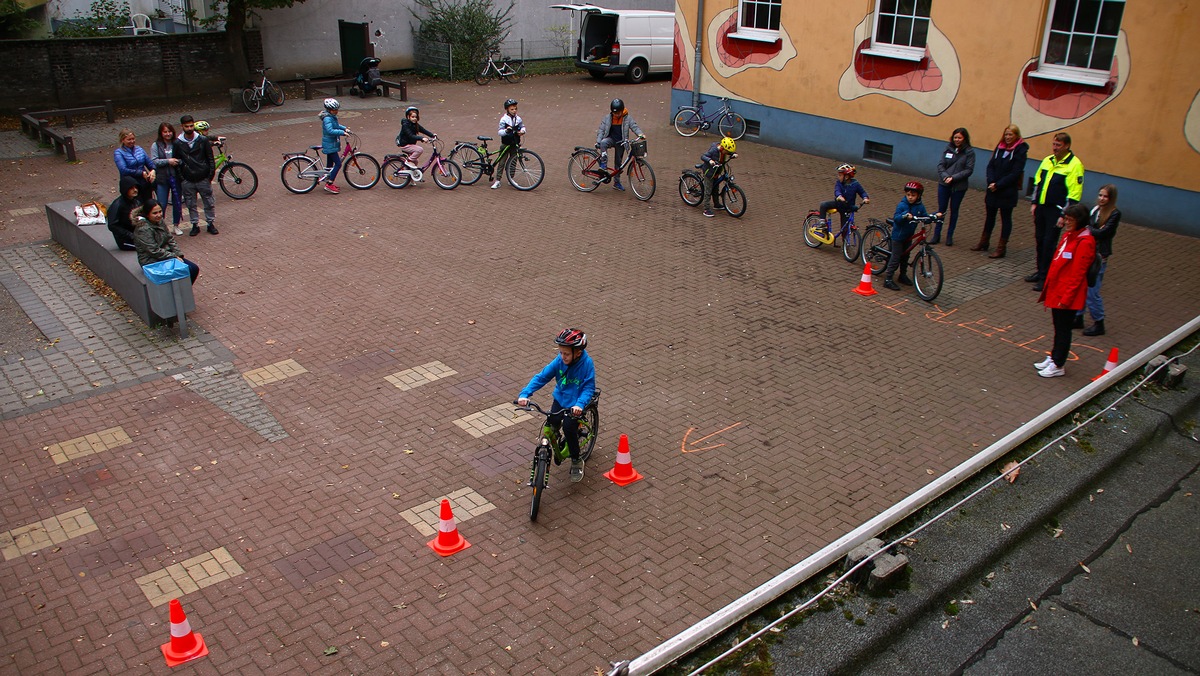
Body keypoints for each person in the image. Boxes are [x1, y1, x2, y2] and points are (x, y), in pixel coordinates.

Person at [517, 328, 597, 483]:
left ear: (578, 353)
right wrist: (525, 394)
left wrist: (580, 404)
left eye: (566, 354)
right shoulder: (560, 361)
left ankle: (576, 459)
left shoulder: (587, 364)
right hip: (560, 399)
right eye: (561, 352)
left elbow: (588, 388)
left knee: (568, 428)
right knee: (552, 421)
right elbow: (542, 377)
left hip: (576, 403)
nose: (562, 357)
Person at [1035, 203, 1095, 378]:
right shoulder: (1070, 236)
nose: (1067, 222)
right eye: (1066, 218)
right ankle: (1054, 357)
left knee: (1063, 329)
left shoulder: (1084, 242)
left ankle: (1058, 364)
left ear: (1080, 221)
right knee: (1058, 326)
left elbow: (1077, 274)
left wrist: (1067, 298)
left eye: (1071, 220)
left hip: (1067, 294)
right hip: (1058, 290)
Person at [1028, 132, 1084, 291]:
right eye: (1054, 144)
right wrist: (1034, 202)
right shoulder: (1048, 160)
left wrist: (1064, 215)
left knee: (1049, 243)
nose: (1055, 148)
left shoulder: (1074, 165)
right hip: (1041, 208)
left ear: (1067, 146)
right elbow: (1038, 183)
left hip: (1056, 211)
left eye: (1058, 145)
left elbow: (1074, 194)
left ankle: (1046, 277)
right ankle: (1040, 271)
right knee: (1039, 240)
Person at [973, 124, 1029, 258]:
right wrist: (991, 181)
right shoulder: (1000, 147)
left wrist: (998, 184)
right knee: (989, 217)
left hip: (1007, 191)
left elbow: (1015, 173)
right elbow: (991, 166)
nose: (1008, 137)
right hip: (993, 189)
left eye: (1011, 135)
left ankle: (1001, 247)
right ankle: (984, 242)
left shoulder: (1020, 151)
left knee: (1005, 218)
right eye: (1006, 135)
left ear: (1016, 136)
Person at [1078, 184, 1120, 336]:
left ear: (1111, 199)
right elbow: (1088, 227)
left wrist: (1089, 229)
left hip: (1099, 256)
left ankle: (1099, 321)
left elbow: (1103, 233)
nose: (1102, 199)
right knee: (1081, 286)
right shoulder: (1095, 210)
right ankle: (1078, 316)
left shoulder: (1114, 214)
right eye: (1100, 195)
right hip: (1088, 253)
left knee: (1092, 291)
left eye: (1105, 196)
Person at [883, 181, 941, 290]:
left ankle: (902, 275)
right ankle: (888, 279)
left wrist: (934, 216)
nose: (910, 197)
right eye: (908, 195)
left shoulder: (920, 206)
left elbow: (924, 217)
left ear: (919, 196)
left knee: (905, 256)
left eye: (913, 195)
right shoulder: (902, 205)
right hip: (898, 236)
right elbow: (896, 218)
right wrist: (904, 216)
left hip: (908, 235)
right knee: (896, 257)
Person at [133, 199, 200, 284]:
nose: (159, 215)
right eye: (155, 213)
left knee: (194, 268)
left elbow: (170, 238)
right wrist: (173, 256)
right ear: (147, 214)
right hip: (151, 260)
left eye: (160, 211)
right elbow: (153, 250)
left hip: (165, 255)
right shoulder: (143, 229)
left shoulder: (160, 221)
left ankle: (184, 290)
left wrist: (178, 254)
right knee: (188, 269)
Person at [173, 115, 217, 236]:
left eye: (191, 125)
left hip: (203, 177)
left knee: (208, 201)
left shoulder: (202, 140)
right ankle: (194, 224)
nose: (189, 128)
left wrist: (209, 176)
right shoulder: (178, 143)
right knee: (190, 203)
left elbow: (210, 159)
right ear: (182, 127)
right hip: (188, 179)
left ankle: (210, 223)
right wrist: (182, 178)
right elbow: (176, 161)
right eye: (187, 126)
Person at [934, 127, 974, 245]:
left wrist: (954, 178)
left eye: (959, 138)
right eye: (955, 137)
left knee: (954, 210)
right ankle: (937, 235)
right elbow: (941, 165)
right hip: (944, 184)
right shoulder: (948, 149)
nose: (957, 140)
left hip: (958, 187)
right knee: (941, 210)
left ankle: (949, 236)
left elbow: (969, 170)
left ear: (964, 139)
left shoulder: (970, 152)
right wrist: (945, 176)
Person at [596, 98, 644, 191]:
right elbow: (601, 130)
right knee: (603, 143)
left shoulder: (627, 118)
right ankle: (603, 166)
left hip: (621, 142)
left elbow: (634, 126)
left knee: (618, 164)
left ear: (622, 111)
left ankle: (617, 182)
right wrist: (598, 141)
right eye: (614, 113)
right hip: (611, 139)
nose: (617, 115)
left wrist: (640, 134)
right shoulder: (607, 118)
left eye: (618, 113)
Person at [149, 122, 184, 236]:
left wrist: (178, 162)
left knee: (177, 203)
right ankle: (160, 226)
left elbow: (183, 158)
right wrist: (168, 161)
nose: (168, 134)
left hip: (176, 178)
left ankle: (176, 225)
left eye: (169, 131)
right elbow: (154, 161)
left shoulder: (177, 143)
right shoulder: (156, 145)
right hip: (162, 179)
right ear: (161, 133)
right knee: (161, 203)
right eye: (165, 132)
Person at [814, 163, 870, 232]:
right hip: (839, 204)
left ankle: (845, 242)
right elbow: (837, 191)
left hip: (847, 207)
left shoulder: (855, 184)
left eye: (840, 175)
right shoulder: (839, 183)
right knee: (823, 205)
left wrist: (865, 198)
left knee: (845, 229)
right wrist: (839, 196)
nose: (838, 177)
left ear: (846, 177)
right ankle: (822, 223)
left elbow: (862, 192)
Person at [113, 128, 155, 203]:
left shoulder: (139, 149)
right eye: (129, 139)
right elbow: (123, 170)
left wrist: (153, 170)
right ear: (123, 140)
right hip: (131, 185)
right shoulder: (119, 153)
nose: (132, 141)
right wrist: (141, 173)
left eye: (133, 139)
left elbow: (150, 163)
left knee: (148, 205)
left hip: (144, 183)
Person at [700, 136, 737, 218]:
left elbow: (728, 152)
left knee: (716, 188)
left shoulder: (724, 150)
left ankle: (716, 204)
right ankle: (706, 209)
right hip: (709, 172)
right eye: (726, 151)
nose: (727, 153)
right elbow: (703, 156)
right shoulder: (714, 150)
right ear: (722, 147)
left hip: (716, 172)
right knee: (708, 191)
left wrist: (733, 154)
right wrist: (710, 161)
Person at [493, 98, 526, 190]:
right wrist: (506, 131)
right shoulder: (504, 119)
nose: (514, 111)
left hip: (515, 143)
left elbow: (522, 126)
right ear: (507, 109)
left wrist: (522, 131)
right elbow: (499, 132)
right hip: (506, 143)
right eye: (512, 109)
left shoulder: (518, 119)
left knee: (513, 162)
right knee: (502, 162)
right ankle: (498, 180)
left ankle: (511, 179)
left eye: (515, 109)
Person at [319, 98, 349, 194]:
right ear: (329, 109)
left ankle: (328, 180)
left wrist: (345, 129)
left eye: (337, 110)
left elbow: (336, 125)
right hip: (330, 144)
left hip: (331, 144)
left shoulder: (331, 117)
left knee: (329, 165)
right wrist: (342, 133)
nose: (336, 111)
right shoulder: (327, 118)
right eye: (334, 110)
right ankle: (329, 184)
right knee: (338, 164)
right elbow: (330, 130)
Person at [106, 175, 141, 251]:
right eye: (131, 188)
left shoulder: (136, 201)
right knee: (148, 247)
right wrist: (131, 235)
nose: (135, 190)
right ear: (125, 190)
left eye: (136, 187)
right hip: (125, 241)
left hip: (136, 235)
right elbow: (112, 225)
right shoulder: (117, 205)